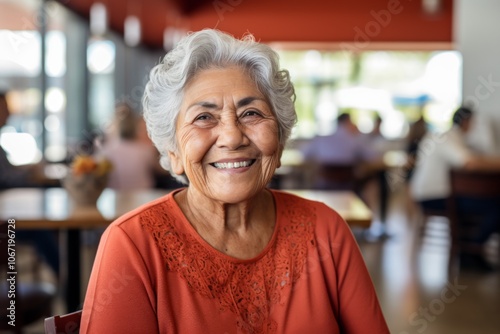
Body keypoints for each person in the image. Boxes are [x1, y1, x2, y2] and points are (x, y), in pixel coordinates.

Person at [81, 29, 389, 333]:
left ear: (279, 142)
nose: (231, 137)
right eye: (204, 117)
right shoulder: (133, 244)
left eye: (252, 113)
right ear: (173, 150)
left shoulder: (326, 231)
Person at [410, 106, 500, 271]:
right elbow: (469, 162)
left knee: (487, 203)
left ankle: (469, 249)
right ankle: (471, 251)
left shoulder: (454, 138)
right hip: (433, 197)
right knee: (495, 206)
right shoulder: (446, 138)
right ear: (466, 122)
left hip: (441, 194)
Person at [0, 91, 60, 276]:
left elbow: (7, 172)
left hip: (6, 216)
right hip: (4, 226)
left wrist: (29, 169)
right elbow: (5, 179)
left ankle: (63, 282)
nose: (9, 114)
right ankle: (65, 281)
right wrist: (31, 175)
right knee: (41, 230)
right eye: (4, 108)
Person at [96, 102, 160, 190]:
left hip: (118, 196)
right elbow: (160, 170)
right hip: (144, 194)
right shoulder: (145, 150)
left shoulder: (105, 151)